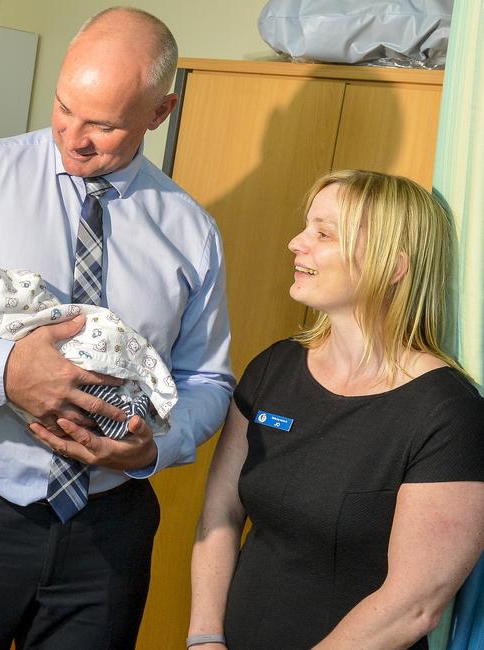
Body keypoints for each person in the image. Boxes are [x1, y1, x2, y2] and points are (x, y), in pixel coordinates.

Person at [0, 7, 234, 650]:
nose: (73, 136)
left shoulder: (191, 233)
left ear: (159, 113)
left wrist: (154, 450)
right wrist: (4, 373)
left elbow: (208, 377)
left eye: (103, 125)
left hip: (108, 531)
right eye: (64, 108)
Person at [189, 170, 484, 650]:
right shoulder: (274, 367)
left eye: (323, 233)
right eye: (307, 227)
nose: (295, 243)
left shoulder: (449, 413)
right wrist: (204, 639)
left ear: (393, 266)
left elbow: (415, 604)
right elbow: (218, 514)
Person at [0, 233, 178, 439]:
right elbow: (18, 291)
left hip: (110, 495)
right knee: (94, 363)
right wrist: (7, 370)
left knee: (87, 391)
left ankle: (125, 416)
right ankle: (132, 409)